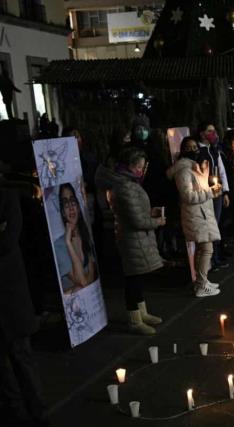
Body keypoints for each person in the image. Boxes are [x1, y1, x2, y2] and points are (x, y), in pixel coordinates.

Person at [0, 187, 48, 427]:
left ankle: (37, 411)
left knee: (21, 355)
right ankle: (15, 409)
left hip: (9, 293)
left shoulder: (8, 196)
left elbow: (8, 241)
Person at [104, 148, 166, 335]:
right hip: (132, 239)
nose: (141, 170)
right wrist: (157, 221)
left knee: (138, 278)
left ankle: (142, 313)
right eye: (139, 166)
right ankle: (134, 319)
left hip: (137, 239)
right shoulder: (125, 186)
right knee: (133, 279)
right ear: (130, 166)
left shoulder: (130, 183)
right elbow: (135, 220)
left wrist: (150, 213)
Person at [170, 137, 222, 296]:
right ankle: (201, 285)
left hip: (203, 214)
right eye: (189, 147)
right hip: (196, 216)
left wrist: (213, 189)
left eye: (195, 146)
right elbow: (188, 196)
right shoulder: (183, 171)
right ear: (183, 150)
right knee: (207, 249)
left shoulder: (194, 167)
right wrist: (209, 193)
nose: (194, 150)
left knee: (203, 249)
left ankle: (202, 281)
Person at [53, 183, 97, 294]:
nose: (71, 208)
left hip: (87, 292)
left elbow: (90, 277)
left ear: (78, 207)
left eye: (73, 202)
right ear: (63, 213)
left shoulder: (86, 236)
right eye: (66, 204)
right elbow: (81, 282)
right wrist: (68, 242)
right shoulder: (59, 245)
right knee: (79, 288)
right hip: (73, 298)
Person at [197, 122, 230, 270]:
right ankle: (209, 260)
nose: (213, 134)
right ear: (202, 133)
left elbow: (221, 171)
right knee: (209, 227)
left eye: (214, 130)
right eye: (209, 131)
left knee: (216, 226)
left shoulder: (214, 150)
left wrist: (225, 192)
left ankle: (216, 257)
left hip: (216, 193)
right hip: (205, 195)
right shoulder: (198, 151)